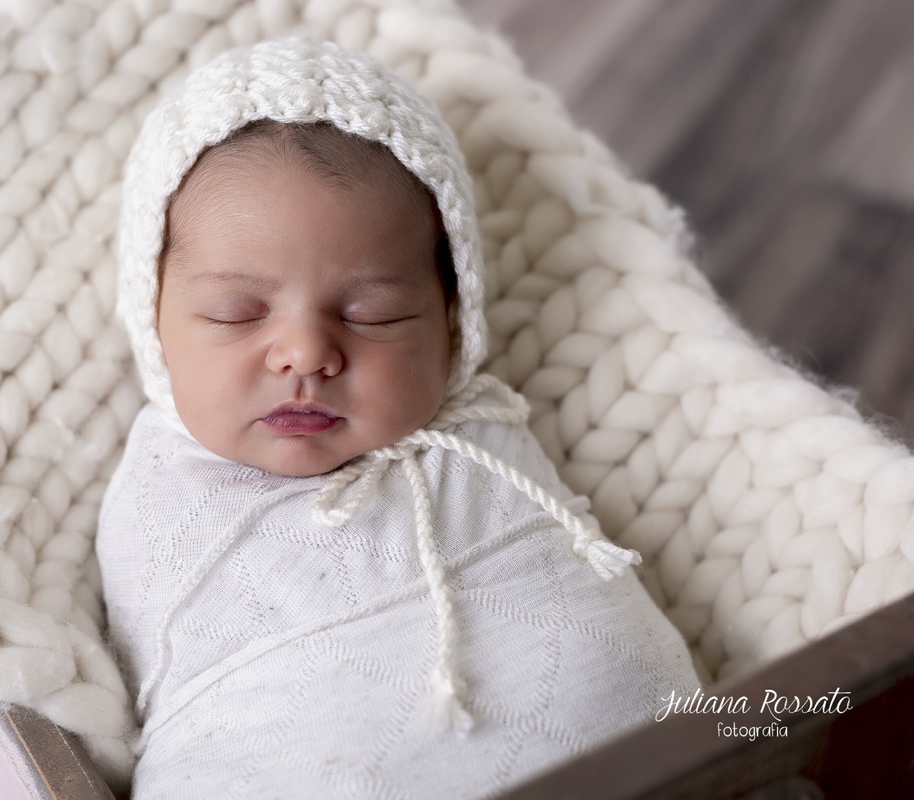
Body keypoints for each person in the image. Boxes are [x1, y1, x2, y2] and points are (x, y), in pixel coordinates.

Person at [98, 38, 701, 798]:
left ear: (452, 317)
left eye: (373, 314)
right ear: (153, 321)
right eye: (235, 313)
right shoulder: (159, 494)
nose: (307, 355)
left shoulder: (481, 431)